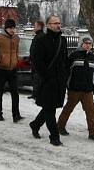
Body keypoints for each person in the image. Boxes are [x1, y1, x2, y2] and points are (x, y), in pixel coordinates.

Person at [29, 14, 68, 146]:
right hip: (46, 81)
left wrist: (64, 77)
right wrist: (46, 76)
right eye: (55, 23)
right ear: (48, 25)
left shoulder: (62, 40)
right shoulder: (41, 40)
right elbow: (37, 61)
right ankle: (54, 136)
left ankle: (35, 125)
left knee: (49, 107)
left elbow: (64, 60)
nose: (58, 25)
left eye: (59, 23)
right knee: (50, 110)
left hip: (59, 82)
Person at [57, 37, 94, 140]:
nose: (88, 45)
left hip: (87, 91)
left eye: (89, 44)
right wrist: (66, 85)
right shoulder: (73, 56)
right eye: (85, 43)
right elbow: (66, 72)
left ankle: (92, 133)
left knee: (91, 111)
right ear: (81, 44)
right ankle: (60, 126)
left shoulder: (93, 58)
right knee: (68, 108)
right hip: (74, 89)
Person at [0, 18, 23, 122]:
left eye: (13, 28)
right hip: (1, 68)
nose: (12, 30)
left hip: (13, 69)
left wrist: (17, 59)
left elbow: (17, 51)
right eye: (10, 28)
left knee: (15, 92)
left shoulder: (16, 38)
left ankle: (16, 114)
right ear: (6, 28)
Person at [29, 20, 45, 100]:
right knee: (35, 79)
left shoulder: (41, 36)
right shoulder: (37, 36)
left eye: (34, 26)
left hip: (38, 63)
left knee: (38, 79)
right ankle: (35, 93)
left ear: (39, 27)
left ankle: (38, 94)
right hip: (34, 62)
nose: (33, 28)